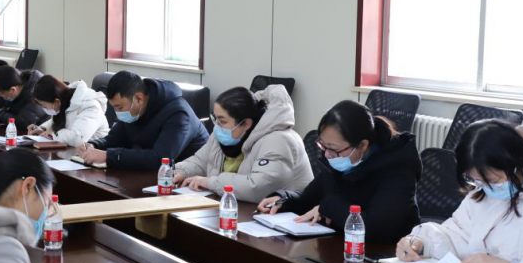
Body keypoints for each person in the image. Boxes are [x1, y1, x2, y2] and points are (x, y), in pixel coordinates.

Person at [396, 120, 523, 263]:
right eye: (477, 181)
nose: (487, 188)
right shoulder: (483, 193)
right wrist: (421, 242)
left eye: (493, 181)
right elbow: (457, 234)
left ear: (518, 164)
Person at [257, 100, 421, 243]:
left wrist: (327, 207)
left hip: (387, 255)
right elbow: (309, 199)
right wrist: (283, 199)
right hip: (338, 245)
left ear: (362, 145)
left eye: (333, 149)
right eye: (323, 145)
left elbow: (374, 228)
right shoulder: (339, 159)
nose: (327, 155)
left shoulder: (398, 168)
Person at [173, 85, 313, 202]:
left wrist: (209, 182)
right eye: (216, 119)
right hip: (237, 207)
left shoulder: (279, 140)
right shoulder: (224, 134)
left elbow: (258, 187)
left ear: (246, 123)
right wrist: (181, 172)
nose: (217, 126)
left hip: (284, 216)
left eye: (223, 121)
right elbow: (200, 161)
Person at [77, 71, 209, 171]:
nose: (117, 112)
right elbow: (113, 140)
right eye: (114, 107)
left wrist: (108, 156)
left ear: (138, 99)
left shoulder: (179, 114)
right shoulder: (134, 110)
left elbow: (160, 159)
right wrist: (93, 145)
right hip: (149, 174)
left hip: (186, 179)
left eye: (119, 107)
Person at [28, 76, 110, 147]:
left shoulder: (90, 105)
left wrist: (53, 133)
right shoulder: (65, 101)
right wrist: (42, 129)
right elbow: (58, 121)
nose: (44, 109)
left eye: (44, 106)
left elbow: (78, 138)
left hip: (96, 153)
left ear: (56, 101)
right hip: (75, 152)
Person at [0, 66, 47, 132]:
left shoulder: (36, 94)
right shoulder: (20, 88)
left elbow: (24, 124)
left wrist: (0, 117)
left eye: (1, 93)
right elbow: (10, 109)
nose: (0, 96)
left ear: (12, 90)